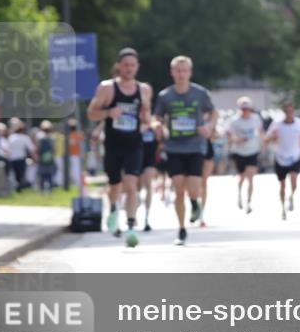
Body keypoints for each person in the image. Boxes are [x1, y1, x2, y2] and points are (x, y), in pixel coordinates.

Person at [87, 48, 153, 247]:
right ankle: (114, 208)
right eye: (125, 65)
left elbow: (146, 117)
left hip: (134, 144)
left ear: (137, 67)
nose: (129, 69)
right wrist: (108, 113)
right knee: (115, 186)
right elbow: (91, 113)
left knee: (131, 186)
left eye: (133, 65)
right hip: (113, 145)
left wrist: (146, 124)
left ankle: (131, 227)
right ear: (119, 66)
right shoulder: (107, 88)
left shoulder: (144, 90)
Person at [153, 55, 215, 246]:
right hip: (174, 147)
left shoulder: (199, 93)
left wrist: (209, 126)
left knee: (194, 187)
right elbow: (157, 117)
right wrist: (159, 127)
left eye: (184, 70)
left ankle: (195, 203)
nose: (181, 74)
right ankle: (181, 229)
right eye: (177, 71)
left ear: (190, 72)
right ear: (172, 73)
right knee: (179, 189)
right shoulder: (165, 96)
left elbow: (213, 112)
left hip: (195, 145)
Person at [265, 102, 300, 220]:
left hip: (295, 156)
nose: (289, 113)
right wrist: (273, 136)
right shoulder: (277, 124)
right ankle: (283, 208)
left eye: (291, 111)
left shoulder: (299, 123)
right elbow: (267, 139)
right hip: (280, 157)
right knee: (282, 185)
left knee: (294, 181)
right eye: (287, 111)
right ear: (284, 112)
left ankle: (291, 197)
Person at [228, 96, 264, 214]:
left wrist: (263, 143)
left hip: (252, 151)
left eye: (247, 109)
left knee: (251, 177)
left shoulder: (255, 118)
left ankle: (249, 202)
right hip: (239, 152)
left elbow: (260, 131)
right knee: (242, 176)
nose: (245, 111)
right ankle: (239, 195)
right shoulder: (234, 120)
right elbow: (230, 135)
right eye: (243, 109)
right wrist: (237, 140)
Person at [139, 119, 162, 232]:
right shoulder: (135, 121)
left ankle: (146, 218)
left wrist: (158, 131)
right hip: (135, 158)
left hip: (150, 159)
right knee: (136, 187)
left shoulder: (155, 125)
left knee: (148, 186)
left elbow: (162, 139)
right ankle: (134, 212)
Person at [4, 118, 36, 191]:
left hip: (12, 158)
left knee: (14, 175)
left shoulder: (11, 137)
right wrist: (34, 157)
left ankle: (16, 188)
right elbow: (32, 149)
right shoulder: (25, 137)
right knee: (21, 175)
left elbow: (7, 148)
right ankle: (19, 188)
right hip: (21, 158)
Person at [36, 120, 57, 192]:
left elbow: (38, 149)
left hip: (42, 158)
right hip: (50, 158)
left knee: (42, 175)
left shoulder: (40, 137)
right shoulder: (52, 138)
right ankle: (50, 189)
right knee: (50, 175)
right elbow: (54, 149)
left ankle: (42, 189)